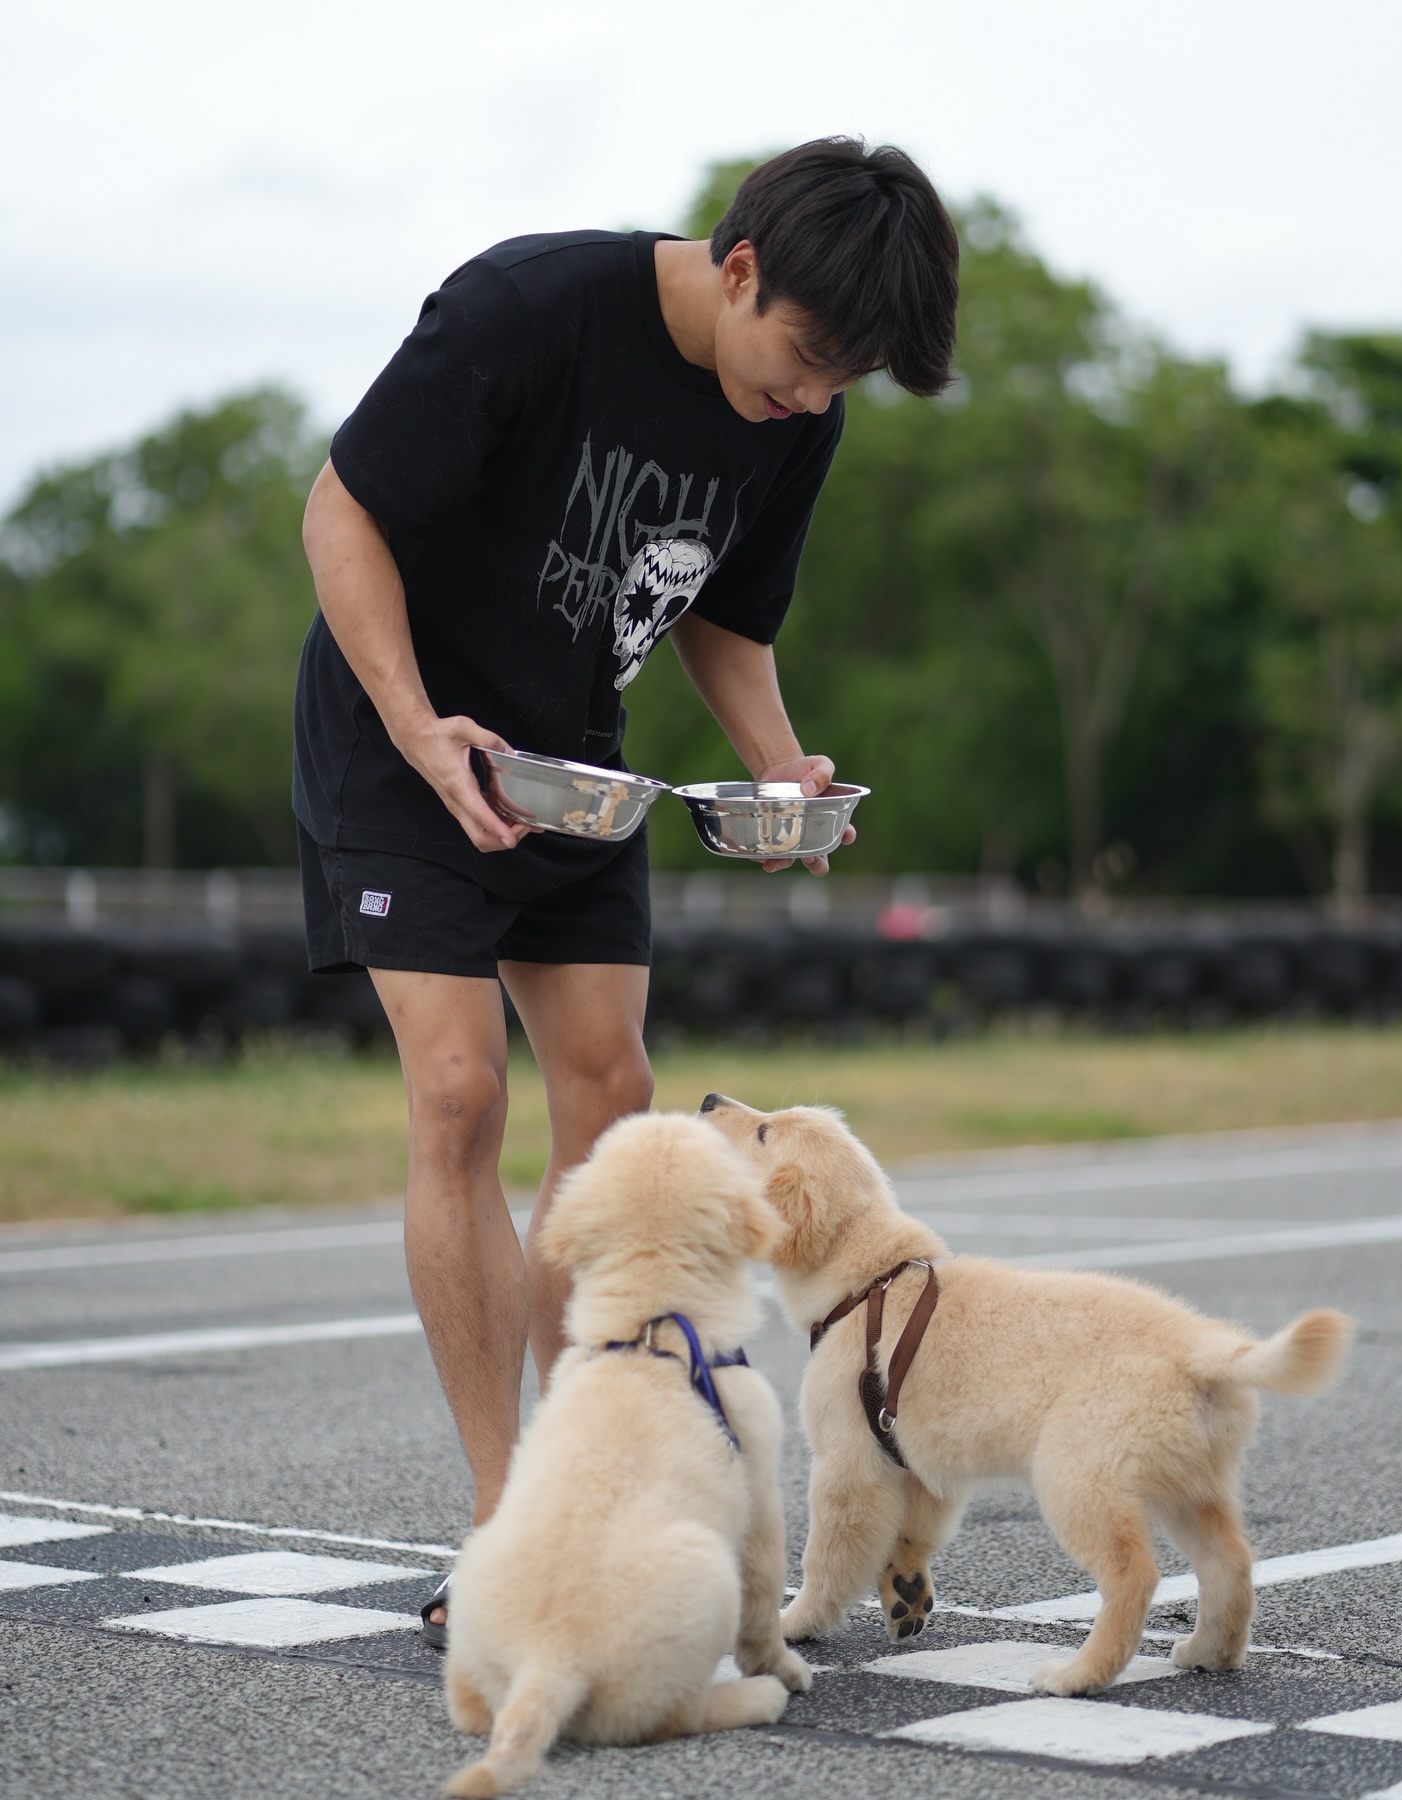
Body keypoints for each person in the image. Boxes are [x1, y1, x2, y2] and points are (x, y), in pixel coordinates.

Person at [294, 137, 959, 1645]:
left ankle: (595, 1484)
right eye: (799, 361)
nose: (807, 401)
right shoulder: (527, 310)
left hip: (570, 767)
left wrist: (781, 772)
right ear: (739, 269)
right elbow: (343, 514)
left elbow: (725, 618)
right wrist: (416, 727)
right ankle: (505, 1525)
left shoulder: (801, 411)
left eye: (839, 386)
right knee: (460, 1094)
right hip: (403, 736)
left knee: (613, 1101)